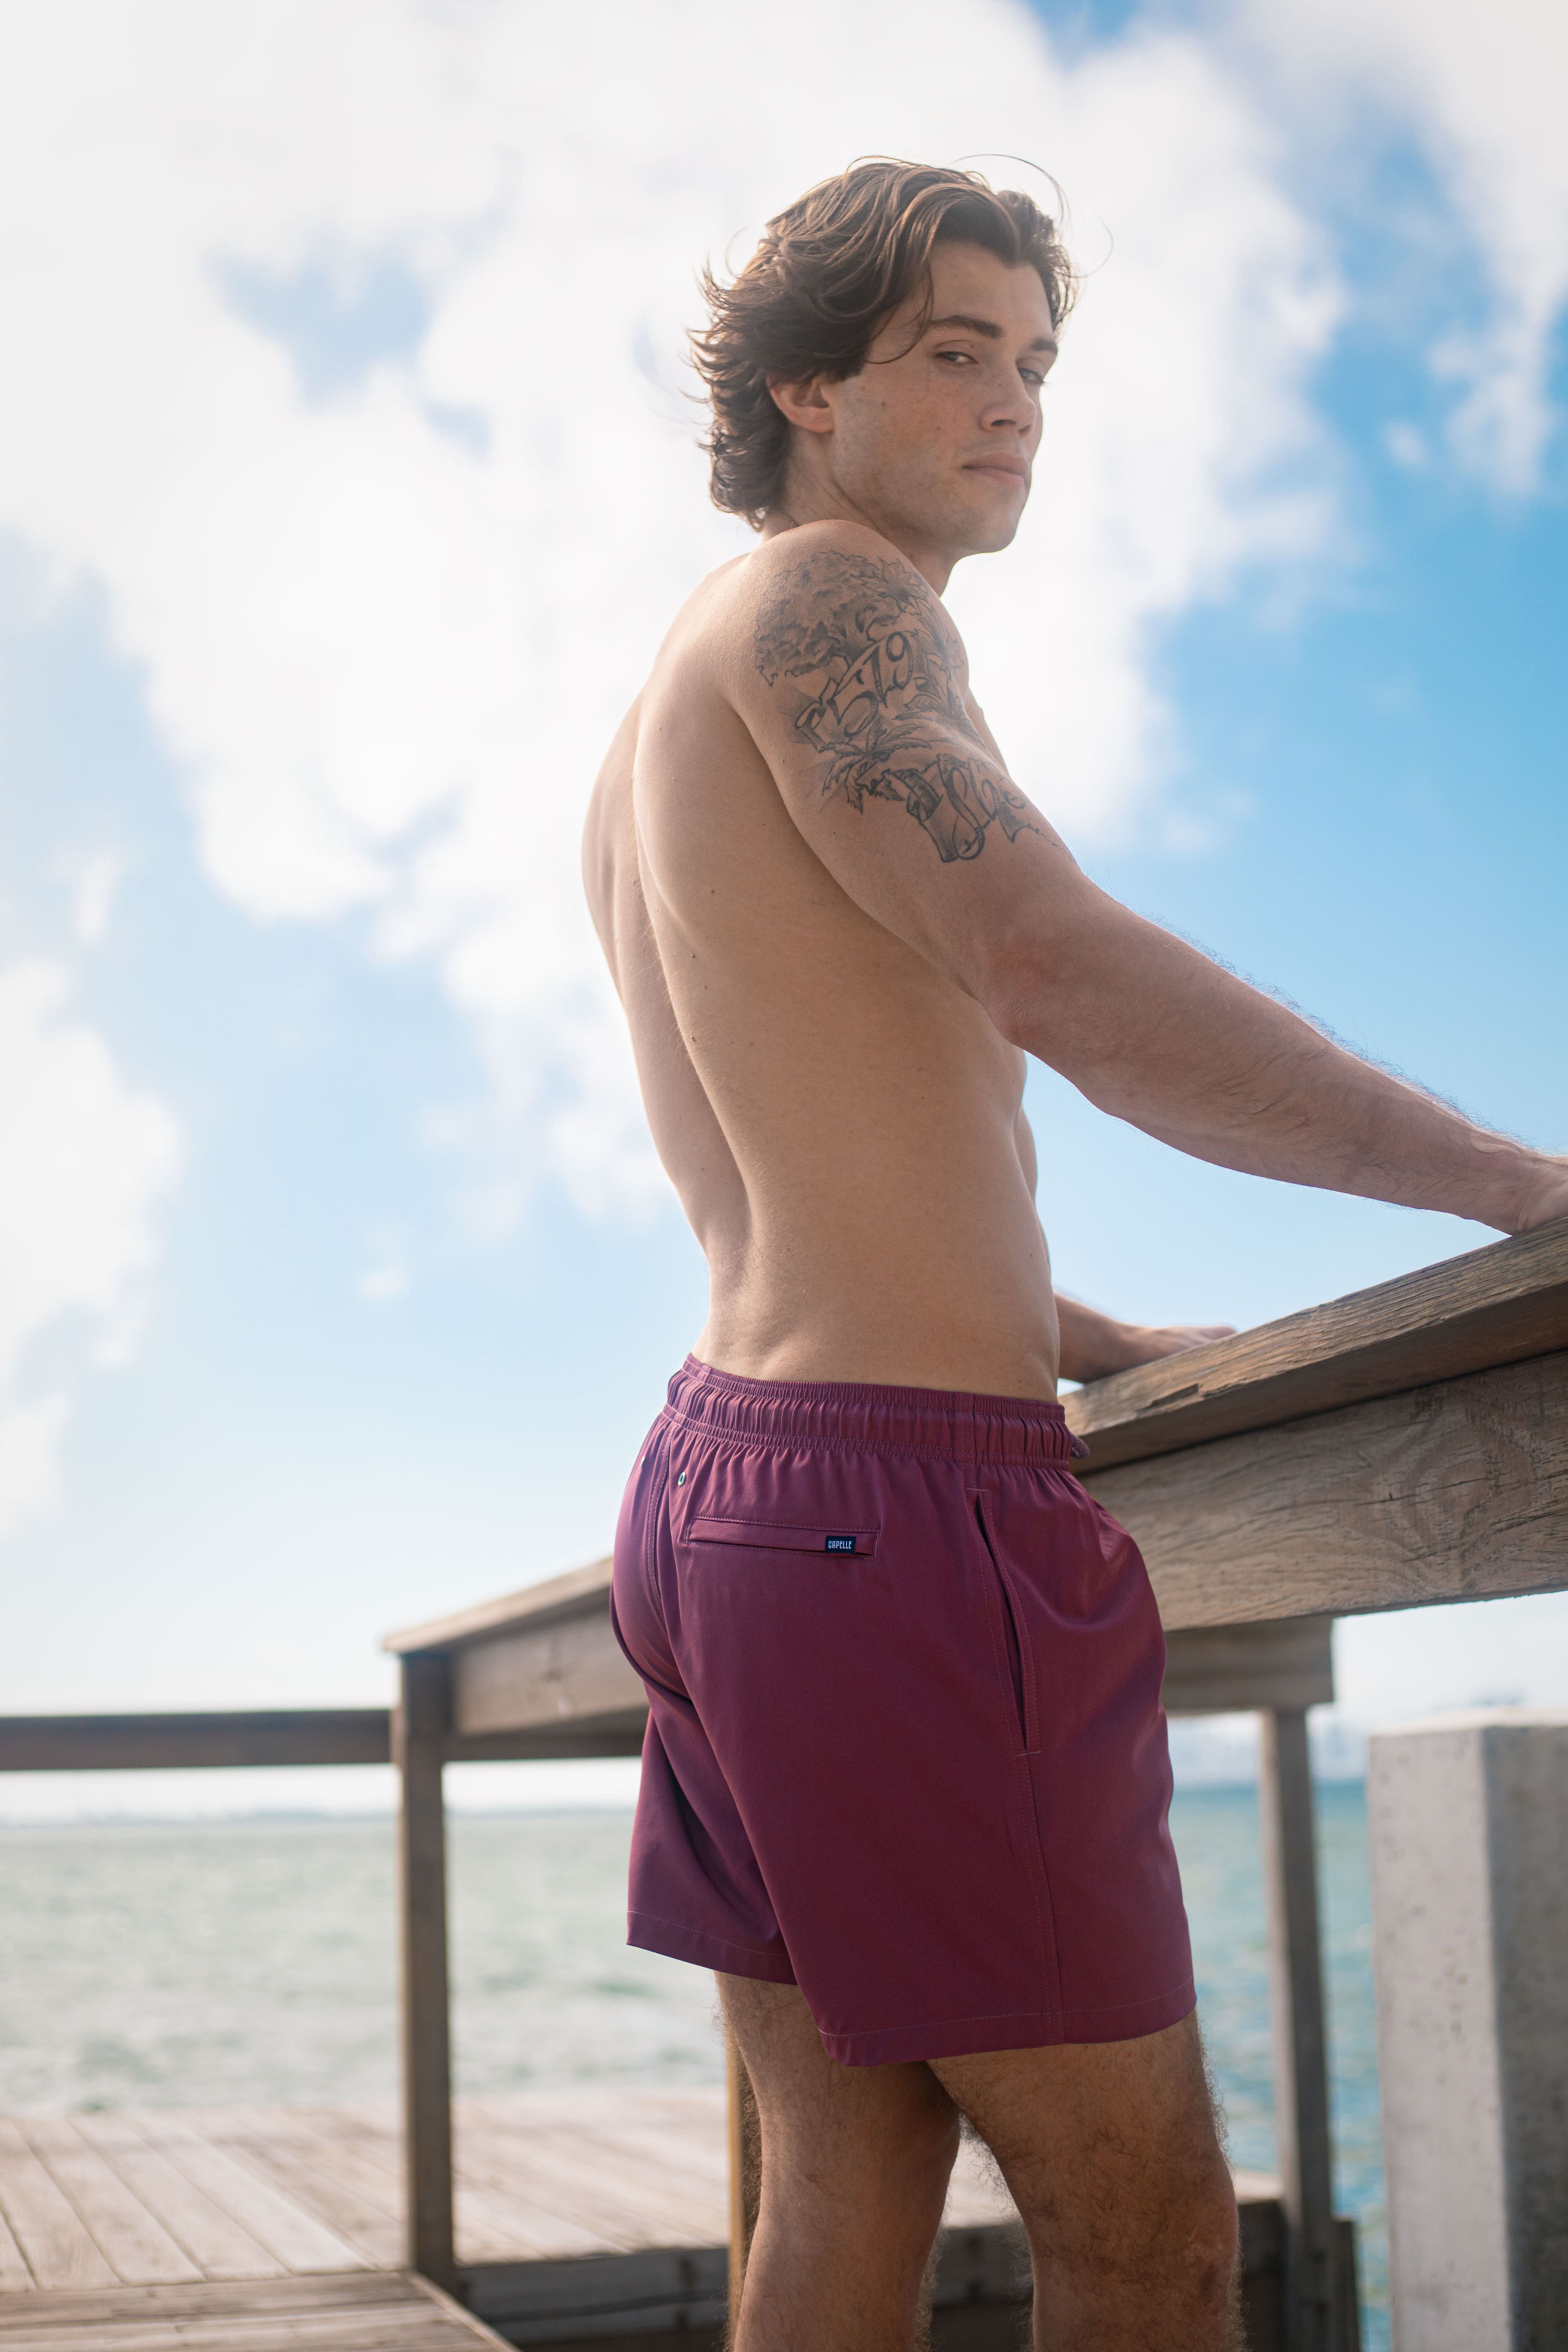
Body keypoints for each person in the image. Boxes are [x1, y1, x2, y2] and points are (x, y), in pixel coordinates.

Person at [581, 158, 1567, 2352]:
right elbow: (1048, 965)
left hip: (729, 1482)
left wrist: (1075, 1327)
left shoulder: (669, 692)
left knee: (843, 2182)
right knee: (1147, 2238)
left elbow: (779, 1142)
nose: (1016, 401)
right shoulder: (838, 614)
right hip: (893, 1518)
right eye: (956, 351)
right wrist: (1525, 1189)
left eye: (1036, 363)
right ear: (808, 385)